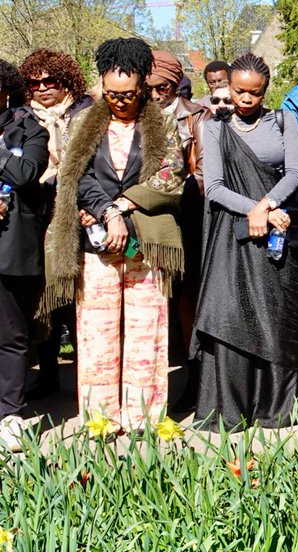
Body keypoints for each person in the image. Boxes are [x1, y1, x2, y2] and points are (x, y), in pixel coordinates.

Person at [42, 38, 185, 432]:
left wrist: (123, 207)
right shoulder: (83, 121)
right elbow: (75, 175)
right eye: (111, 94)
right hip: (96, 241)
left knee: (147, 331)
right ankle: (101, 419)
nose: (119, 101)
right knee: (97, 332)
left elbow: (172, 174)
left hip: (147, 241)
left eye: (128, 94)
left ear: (143, 86)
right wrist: (104, 212)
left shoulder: (164, 122)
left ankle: (145, 417)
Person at [192, 53, 298, 429]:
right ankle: (228, 412)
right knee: (228, 316)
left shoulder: (284, 120)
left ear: (265, 92)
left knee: (272, 317)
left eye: (254, 94)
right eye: (239, 91)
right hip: (231, 236)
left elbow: (297, 171)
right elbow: (214, 188)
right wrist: (258, 211)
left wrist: (269, 205)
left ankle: (272, 409)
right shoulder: (215, 127)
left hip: (278, 233)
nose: (245, 99)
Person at [18, 48, 93, 399]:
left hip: (81, 215)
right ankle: (47, 375)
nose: (43, 88)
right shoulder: (22, 118)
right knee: (46, 299)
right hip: (38, 216)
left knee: (80, 298)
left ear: (67, 81)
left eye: (51, 81)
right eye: (35, 83)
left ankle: (86, 379)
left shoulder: (87, 111)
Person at [146, 50, 209, 411]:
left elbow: (202, 172)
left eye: (163, 87)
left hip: (187, 218)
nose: (156, 95)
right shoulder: (139, 117)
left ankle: (196, 378)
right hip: (149, 219)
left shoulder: (197, 117)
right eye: (150, 87)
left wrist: (164, 190)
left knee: (189, 300)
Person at [0, 59, 50, 451]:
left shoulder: (29, 128)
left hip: (11, 246)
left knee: (12, 333)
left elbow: (25, 173)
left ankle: (10, 413)